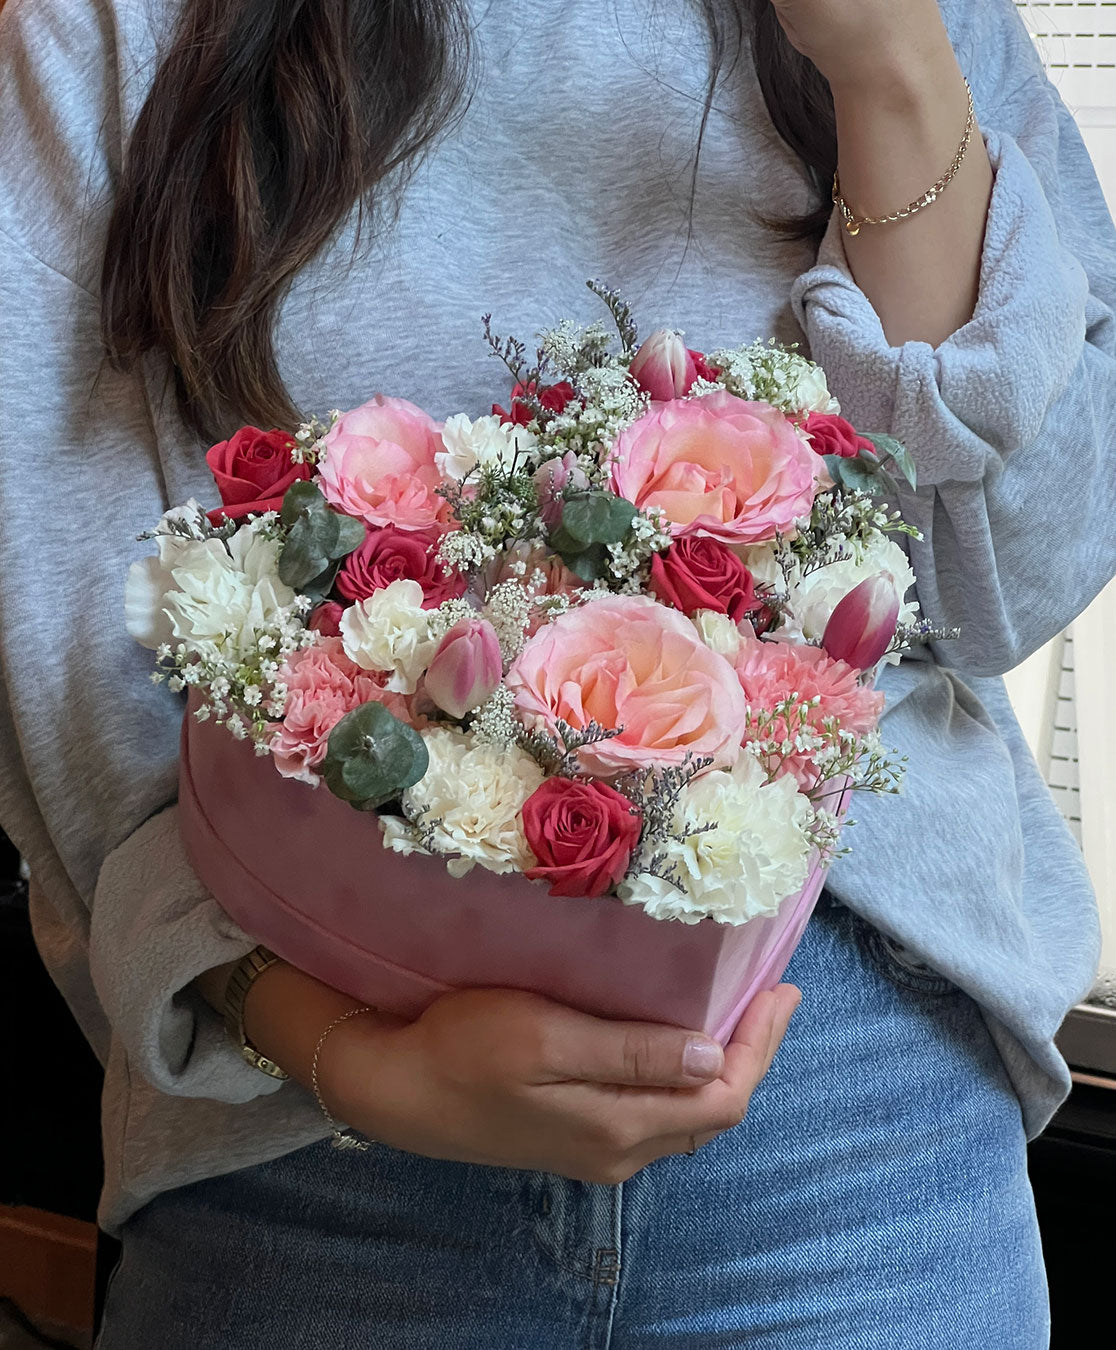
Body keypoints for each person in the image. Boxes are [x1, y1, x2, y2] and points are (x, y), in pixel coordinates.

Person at [1, 0, 1113, 1343]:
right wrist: (341, 1054)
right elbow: (75, 670)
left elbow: (1010, 584)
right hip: (301, 1141)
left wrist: (893, 67)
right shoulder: (107, 32)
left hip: (850, 1119)